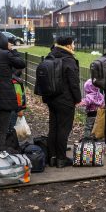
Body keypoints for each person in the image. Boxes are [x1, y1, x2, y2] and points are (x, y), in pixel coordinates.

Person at [43, 37, 82, 167]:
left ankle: (52, 157)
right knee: (64, 129)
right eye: (73, 43)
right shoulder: (69, 60)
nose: (74, 46)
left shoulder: (51, 56)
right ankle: (61, 158)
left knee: (53, 127)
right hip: (65, 100)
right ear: (69, 45)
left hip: (51, 98)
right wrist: (77, 99)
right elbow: (74, 83)